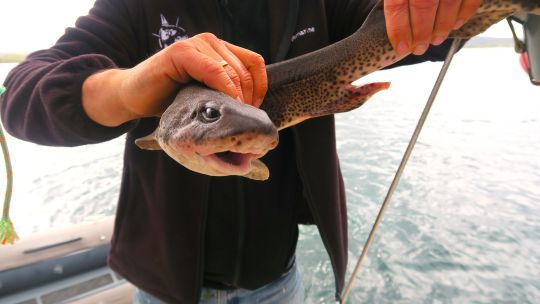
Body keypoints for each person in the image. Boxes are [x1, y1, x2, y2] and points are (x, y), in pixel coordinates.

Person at [0, 0, 480, 303]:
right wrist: (128, 90)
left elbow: (408, 31)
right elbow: (21, 96)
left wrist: (438, 9)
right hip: (164, 286)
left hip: (276, 278)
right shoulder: (136, 7)